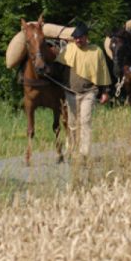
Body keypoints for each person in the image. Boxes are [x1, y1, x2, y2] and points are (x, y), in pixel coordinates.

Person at [55, 21, 111, 159]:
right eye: (76, 38)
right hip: (71, 92)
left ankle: (84, 152)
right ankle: (73, 149)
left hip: (89, 92)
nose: (78, 40)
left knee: (85, 121)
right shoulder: (69, 49)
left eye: (80, 37)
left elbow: (103, 72)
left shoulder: (96, 51)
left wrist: (105, 92)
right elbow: (58, 68)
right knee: (72, 123)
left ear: (86, 37)